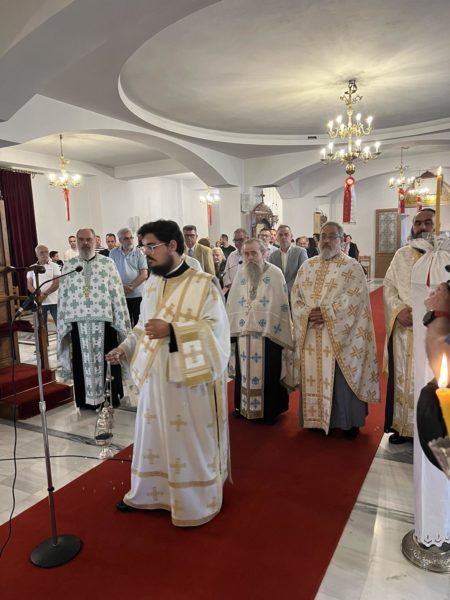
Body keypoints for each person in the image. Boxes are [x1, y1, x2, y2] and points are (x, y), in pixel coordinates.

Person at [106, 219, 230, 527]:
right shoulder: (153, 283)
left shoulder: (203, 284)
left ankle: (193, 501)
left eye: (151, 246)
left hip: (187, 380)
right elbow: (143, 326)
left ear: (172, 245)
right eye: (143, 247)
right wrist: (125, 348)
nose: (146, 253)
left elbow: (216, 331)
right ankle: (149, 493)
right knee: (153, 437)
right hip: (155, 379)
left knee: (187, 439)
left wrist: (173, 330)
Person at [291, 221, 380, 438]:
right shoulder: (307, 266)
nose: (327, 241)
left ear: (342, 240)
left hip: (340, 335)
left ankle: (348, 422)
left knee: (342, 379)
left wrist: (327, 312)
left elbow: (356, 299)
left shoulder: (351, 266)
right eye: (323, 236)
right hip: (312, 332)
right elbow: (296, 296)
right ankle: (315, 420)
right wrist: (306, 312)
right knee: (313, 375)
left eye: (332, 236)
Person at [57, 228, 130, 409]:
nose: (85, 243)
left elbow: (117, 294)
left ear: (95, 240)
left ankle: (111, 398)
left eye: (88, 239)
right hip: (78, 324)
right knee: (80, 361)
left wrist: (119, 318)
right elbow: (63, 297)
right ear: (76, 241)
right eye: (81, 240)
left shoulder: (107, 263)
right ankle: (85, 401)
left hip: (105, 322)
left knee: (108, 358)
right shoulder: (69, 266)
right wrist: (63, 323)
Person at [383, 208, 435, 444]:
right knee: (403, 377)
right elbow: (389, 287)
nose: (422, 227)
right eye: (417, 223)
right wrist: (397, 311)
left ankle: (431, 429)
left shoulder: (444, 256)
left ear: (436, 225)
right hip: (404, 330)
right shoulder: (401, 255)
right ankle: (403, 428)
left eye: (427, 223)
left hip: (434, 331)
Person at [227, 238, 293, 423]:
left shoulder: (275, 273)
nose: (249, 258)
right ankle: (242, 407)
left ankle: (270, 411)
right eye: (246, 254)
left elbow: (280, 305)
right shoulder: (241, 274)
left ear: (264, 253)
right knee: (243, 373)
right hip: (244, 334)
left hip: (269, 335)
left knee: (269, 373)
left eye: (254, 253)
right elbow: (233, 303)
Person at [109, 228, 148, 327]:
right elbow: (111, 273)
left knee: (139, 324)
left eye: (131, 237)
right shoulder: (113, 253)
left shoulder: (139, 252)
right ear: (120, 240)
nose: (130, 240)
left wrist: (130, 287)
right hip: (121, 294)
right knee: (124, 324)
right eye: (126, 238)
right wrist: (122, 287)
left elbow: (144, 274)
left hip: (138, 295)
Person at [27, 244, 60, 329]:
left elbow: (56, 283)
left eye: (46, 252)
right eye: (41, 252)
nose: (44, 254)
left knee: (60, 326)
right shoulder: (31, 267)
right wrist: (39, 295)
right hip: (39, 302)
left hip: (54, 301)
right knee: (42, 328)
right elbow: (29, 285)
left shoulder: (55, 266)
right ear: (36, 254)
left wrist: (44, 294)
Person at [269, 225, 307, 293]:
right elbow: (272, 274)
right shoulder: (273, 256)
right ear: (277, 237)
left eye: (286, 234)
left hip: (295, 291)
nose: (283, 237)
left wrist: (288, 288)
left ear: (291, 236)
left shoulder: (300, 252)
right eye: (280, 235)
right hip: (278, 291)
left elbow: (303, 273)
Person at [222, 228, 248, 294]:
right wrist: (230, 286)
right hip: (232, 291)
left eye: (240, 240)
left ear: (247, 239)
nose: (237, 243)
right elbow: (225, 273)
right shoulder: (232, 255)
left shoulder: (251, 256)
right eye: (235, 240)